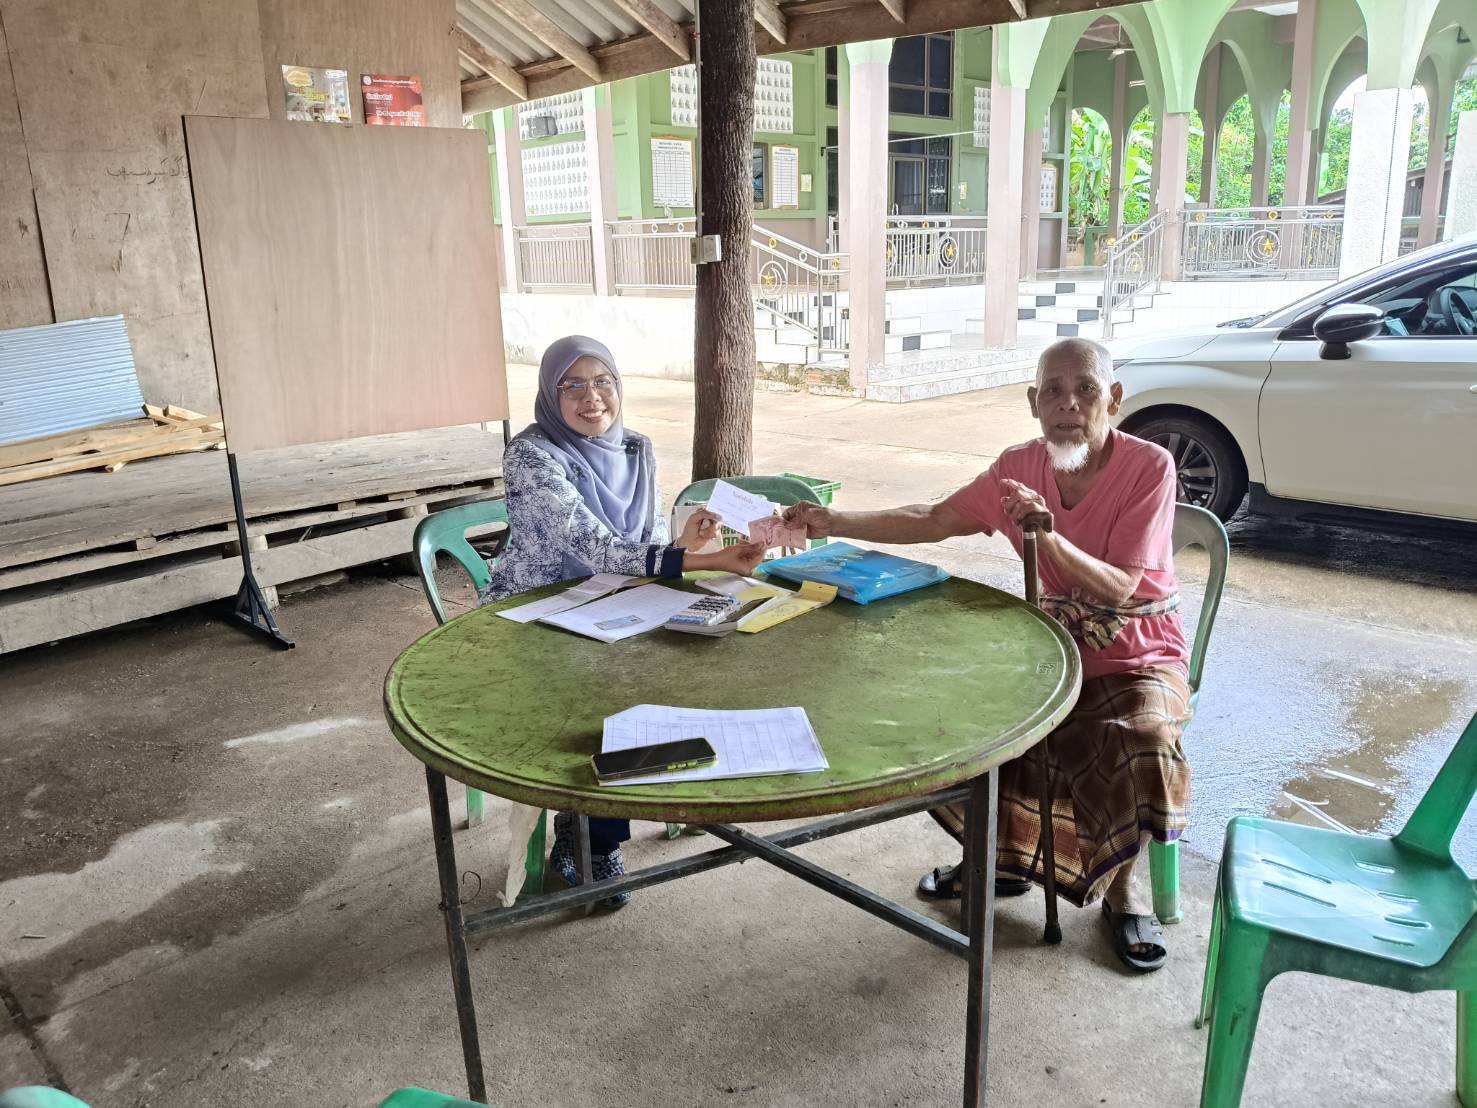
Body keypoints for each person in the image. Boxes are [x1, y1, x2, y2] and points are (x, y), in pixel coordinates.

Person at [783, 337, 1191, 971]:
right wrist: (832, 520)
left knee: (1142, 732)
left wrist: (1044, 537)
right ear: (1033, 403)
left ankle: (1122, 891)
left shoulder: (1150, 467)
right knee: (976, 714)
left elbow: (1119, 586)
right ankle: (1001, 861)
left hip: (1139, 647)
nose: (1068, 405)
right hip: (1057, 640)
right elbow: (932, 516)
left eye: (1085, 390)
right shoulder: (1017, 467)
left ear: (1113, 398)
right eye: (1052, 391)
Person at [481, 335, 765, 907]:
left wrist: (684, 543)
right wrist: (702, 560)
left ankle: (631, 802)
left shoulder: (636, 448)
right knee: (605, 699)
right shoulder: (531, 455)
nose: (593, 399)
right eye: (574, 385)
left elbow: (644, 545)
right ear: (549, 393)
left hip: (618, 601)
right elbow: (596, 546)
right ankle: (586, 841)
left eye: (604, 381)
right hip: (536, 613)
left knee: (684, 667)